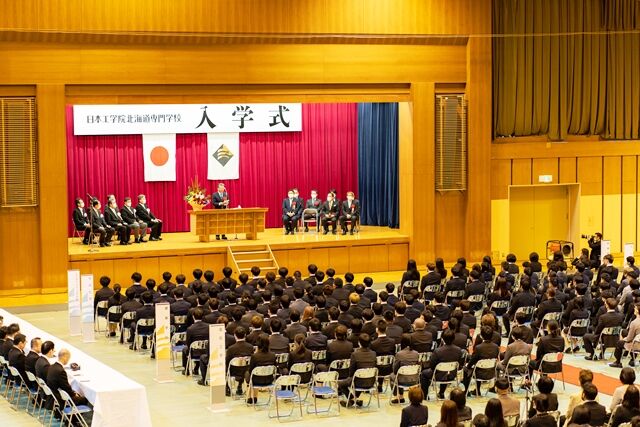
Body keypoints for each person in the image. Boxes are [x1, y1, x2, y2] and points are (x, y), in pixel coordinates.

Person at [421, 329, 463, 399]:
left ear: (442, 339)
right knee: (445, 372)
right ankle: (441, 392)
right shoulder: (459, 350)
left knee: (424, 374)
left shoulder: (437, 351)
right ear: (454, 338)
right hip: (452, 374)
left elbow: (432, 366)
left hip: (438, 375)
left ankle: (424, 395)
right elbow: (460, 364)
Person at [46, 349, 89, 417]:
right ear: (64, 357)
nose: (68, 360)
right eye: (68, 358)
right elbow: (66, 387)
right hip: (61, 398)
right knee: (84, 399)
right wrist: (74, 394)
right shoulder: (61, 371)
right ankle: (73, 419)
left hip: (54, 395)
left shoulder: (52, 366)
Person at [462, 326, 500, 395]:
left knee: (466, 369)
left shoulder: (478, 348)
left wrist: (468, 366)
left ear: (481, 336)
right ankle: (477, 390)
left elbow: (472, 361)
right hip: (491, 372)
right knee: (479, 365)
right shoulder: (496, 347)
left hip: (479, 373)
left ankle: (467, 391)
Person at [246, 334, 276, 405]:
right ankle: (254, 397)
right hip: (269, 380)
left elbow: (251, 370)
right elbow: (274, 368)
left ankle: (251, 397)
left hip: (256, 381)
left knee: (248, 374)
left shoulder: (254, 356)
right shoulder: (272, 355)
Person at [611, 303, 640, 368]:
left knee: (619, 343)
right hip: (637, 341)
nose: (634, 309)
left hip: (636, 345)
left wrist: (623, 339)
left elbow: (629, 338)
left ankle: (617, 362)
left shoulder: (634, 323)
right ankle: (632, 359)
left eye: (635, 308)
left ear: (637, 311)